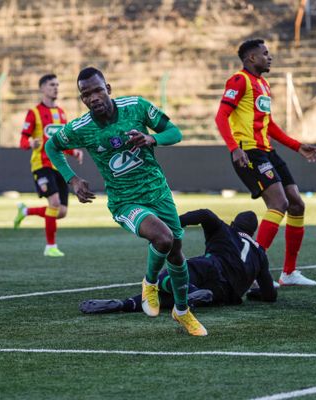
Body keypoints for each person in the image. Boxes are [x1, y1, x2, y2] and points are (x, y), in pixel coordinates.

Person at [45, 67, 207, 336]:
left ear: (108, 88)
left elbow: (175, 132)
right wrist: (72, 180)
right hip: (125, 201)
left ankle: (182, 311)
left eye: (97, 90)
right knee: (163, 239)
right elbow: (52, 146)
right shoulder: (81, 128)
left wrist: (151, 137)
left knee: (177, 253)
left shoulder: (136, 107)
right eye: (86, 94)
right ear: (82, 99)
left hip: (158, 192)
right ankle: (150, 283)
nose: (93, 97)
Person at [215, 38, 316, 286]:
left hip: (266, 150)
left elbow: (269, 125)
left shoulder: (262, 84)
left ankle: (289, 273)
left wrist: (297, 146)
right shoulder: (238, 80)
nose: (269, 57)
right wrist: (234, 148)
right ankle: (251, 273)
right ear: (251, 58)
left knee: (296, 204)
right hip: (248, 152)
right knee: (279, 203)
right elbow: (221, 115)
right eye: (265, 53)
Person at [79, 209, 277, 314]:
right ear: (253, 232)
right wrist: (254, 293)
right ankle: (126, 305)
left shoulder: (227, 230)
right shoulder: (260, 253)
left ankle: (125, 304)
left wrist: (173, 223)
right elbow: (270, 294)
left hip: (210, 266)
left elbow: (205, 214)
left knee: (171, 276)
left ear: (234, 223)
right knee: (174, 300)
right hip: (225, 293)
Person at [14, 73, 83, 257]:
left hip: (58, 166)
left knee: (61, 212)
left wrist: (74, 151)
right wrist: (29, 144)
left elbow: (63, 141)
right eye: (52, 84)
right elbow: (22, 139)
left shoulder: (61, 113)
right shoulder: (34, 113)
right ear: (42, 88)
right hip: (41, 165)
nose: (56, 88)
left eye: (57, 84)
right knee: (54, 204)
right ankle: (50, 247)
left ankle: (26, 211)